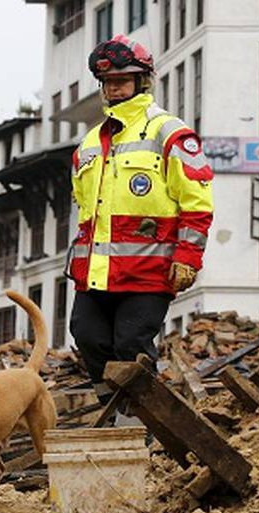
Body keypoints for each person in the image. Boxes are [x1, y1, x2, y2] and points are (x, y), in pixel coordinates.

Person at [67, 34, 214, 409]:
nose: (115, 88)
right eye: (108, 82)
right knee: (86, 335)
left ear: (142, 81)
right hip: (95, 273)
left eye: (123, 80)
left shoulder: (170, 132)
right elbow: (87, 213)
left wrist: (188, 257)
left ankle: (141, 422)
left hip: (149, 271)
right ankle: (114, 411)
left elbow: (197, 202)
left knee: (131, 345)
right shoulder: (87, 144)